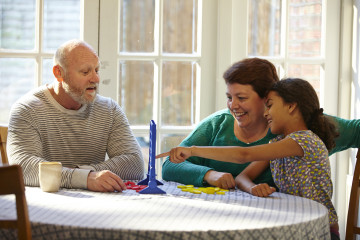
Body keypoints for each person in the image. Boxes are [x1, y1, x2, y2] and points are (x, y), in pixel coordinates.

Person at [157, 78, 340, 239]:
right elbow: (241, 177)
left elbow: (243, 155)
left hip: (319, 231)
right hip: (295, 225)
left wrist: (193, 150)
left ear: (291, 106)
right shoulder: (277, 143)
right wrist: (252, 188)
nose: (266, 113)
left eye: (270, 105)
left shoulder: (304, 141)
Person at [161, 58, 360, 197]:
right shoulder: (218, 124)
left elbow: (243, 154)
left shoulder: (299, 127)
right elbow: (170, 164)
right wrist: (210, 175)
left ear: (267, 99)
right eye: (229, 97)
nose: (233, 106)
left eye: (242, 98)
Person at [7, 39, 145, 192]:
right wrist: (85, 178)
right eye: (85, 72)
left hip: (97, 207)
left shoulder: (109, 109)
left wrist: (84, 173)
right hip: (44, 208)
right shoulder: (27, 109)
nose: (96, 79)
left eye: (97, 70)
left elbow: (135, 164)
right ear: (59, 73)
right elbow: (23, 167)